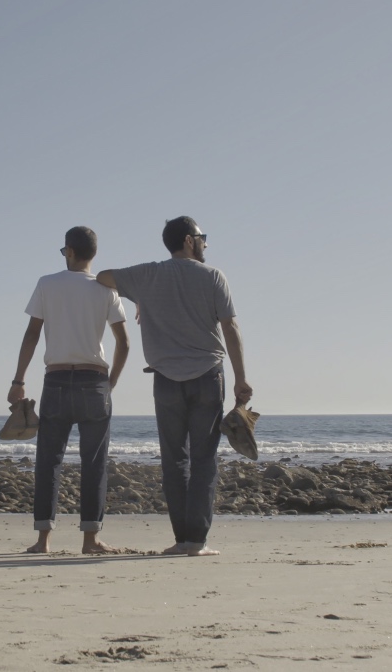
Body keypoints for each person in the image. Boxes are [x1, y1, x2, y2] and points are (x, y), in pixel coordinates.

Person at [97, 217, 252, 557]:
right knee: (204, 459)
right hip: (208, 376)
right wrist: (241, 378)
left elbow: (102, 277)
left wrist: (141, 298)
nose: (205, 243)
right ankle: (196, 542)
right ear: (188, 240)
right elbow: (230, 328)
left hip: (166, 380)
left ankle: (182, 539)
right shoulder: (213, 276)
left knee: (174, 460)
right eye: (202, 237)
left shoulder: (148, 275)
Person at [10, 226, 130, 554]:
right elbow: (124, 342)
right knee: (94, 462)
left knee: (49, 461)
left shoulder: (47, 284)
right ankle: (90, 539)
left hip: (57, 380)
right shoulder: (105, 289)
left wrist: (18, 381)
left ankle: (43, 540)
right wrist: (111, 383)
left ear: (71, 251)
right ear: (93, 254)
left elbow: (32, 334)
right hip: (94, 381)